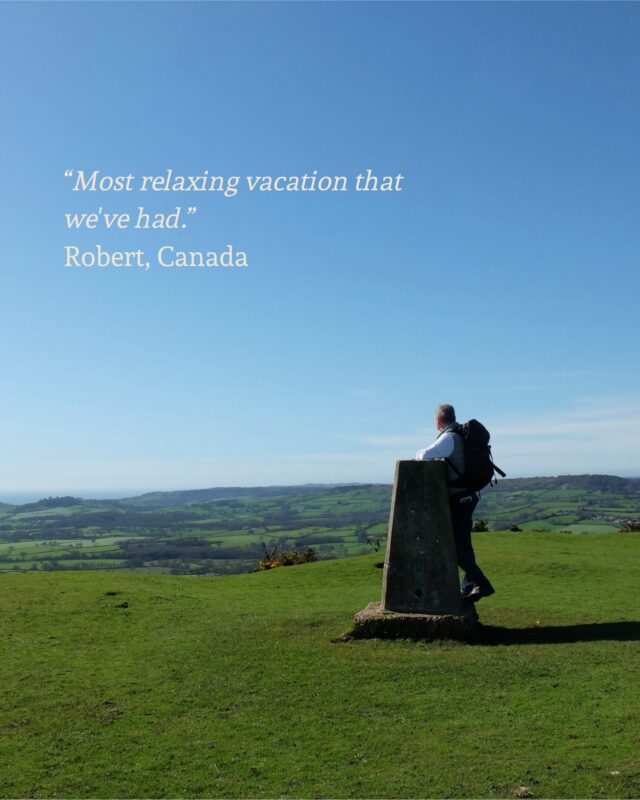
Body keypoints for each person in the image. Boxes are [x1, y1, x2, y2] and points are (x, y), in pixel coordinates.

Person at [415, 403, 495, 603]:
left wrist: (417, 455)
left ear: (438, 421)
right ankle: (469, 585)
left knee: (457, 548)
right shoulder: (460, 435)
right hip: (468, 496)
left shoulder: (449, 438)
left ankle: (482, 583)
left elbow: (424, 455)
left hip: (459, 498)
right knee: (463, 544)